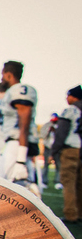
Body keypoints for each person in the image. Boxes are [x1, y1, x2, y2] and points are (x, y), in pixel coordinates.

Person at [0, 61, 38, 191]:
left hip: (17, 144)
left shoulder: (19, 90)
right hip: (15, 143)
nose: (1, 78)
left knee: (7, 186)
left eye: (3, 74)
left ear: (9, 75)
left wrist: (21, 159)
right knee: (5, 184)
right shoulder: (11, 92)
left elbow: (24, 125)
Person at [51, 85, 82, 223]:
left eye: (68, 95)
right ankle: (80, 213)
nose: (66, 98)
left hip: (71, 149)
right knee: (80, 184)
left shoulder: (70, 110)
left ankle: (71, 214)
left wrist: (55, 150)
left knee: (69, 183)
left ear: (73, 96)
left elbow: (61, 132)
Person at [40, 113, 58, 188]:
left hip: (57, 147)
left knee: (58, 165)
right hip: (47, 147)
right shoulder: (47, 125)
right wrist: (49, 130)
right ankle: (44, 181)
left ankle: (58, 182)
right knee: (46, 165)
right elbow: (42, 135)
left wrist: (55, 131)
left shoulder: (59, 125)